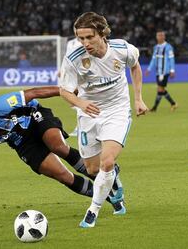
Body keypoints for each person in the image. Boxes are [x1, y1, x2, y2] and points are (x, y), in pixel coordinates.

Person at [0, 86, 124, 223]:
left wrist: (65, 92)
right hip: (21, 142)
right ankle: (108, 196)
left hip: (34, 117)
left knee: (57, 146)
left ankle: (104, 174)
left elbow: (32, 93)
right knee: (62, 176)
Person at [59, 12, 148, 228]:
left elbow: (135, 66)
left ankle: (93, 211)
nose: (85, 43)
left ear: (102, 33)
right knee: (91, 169)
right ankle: (114, 178)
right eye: (81, 38)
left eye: (89, 37)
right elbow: (64, 91)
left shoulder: (123, 49)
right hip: (89, 114)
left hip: (117, 111)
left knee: (106, 161)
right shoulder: (74, 58)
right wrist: (81, 104)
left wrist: (138, 99)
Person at [145, 30, 178, 112]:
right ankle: (173, 103)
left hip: (165, 72)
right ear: (156, 37)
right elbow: (153, 59)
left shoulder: (168, 47)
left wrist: (172, 70)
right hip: (158, 72)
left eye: (161, 35)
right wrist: (149, 69)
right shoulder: (155, 48)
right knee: (161, 90)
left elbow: (171, 59)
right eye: (158, 35)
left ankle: (155, 108)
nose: (160, 37)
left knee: (160, 89)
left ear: (164, 36)